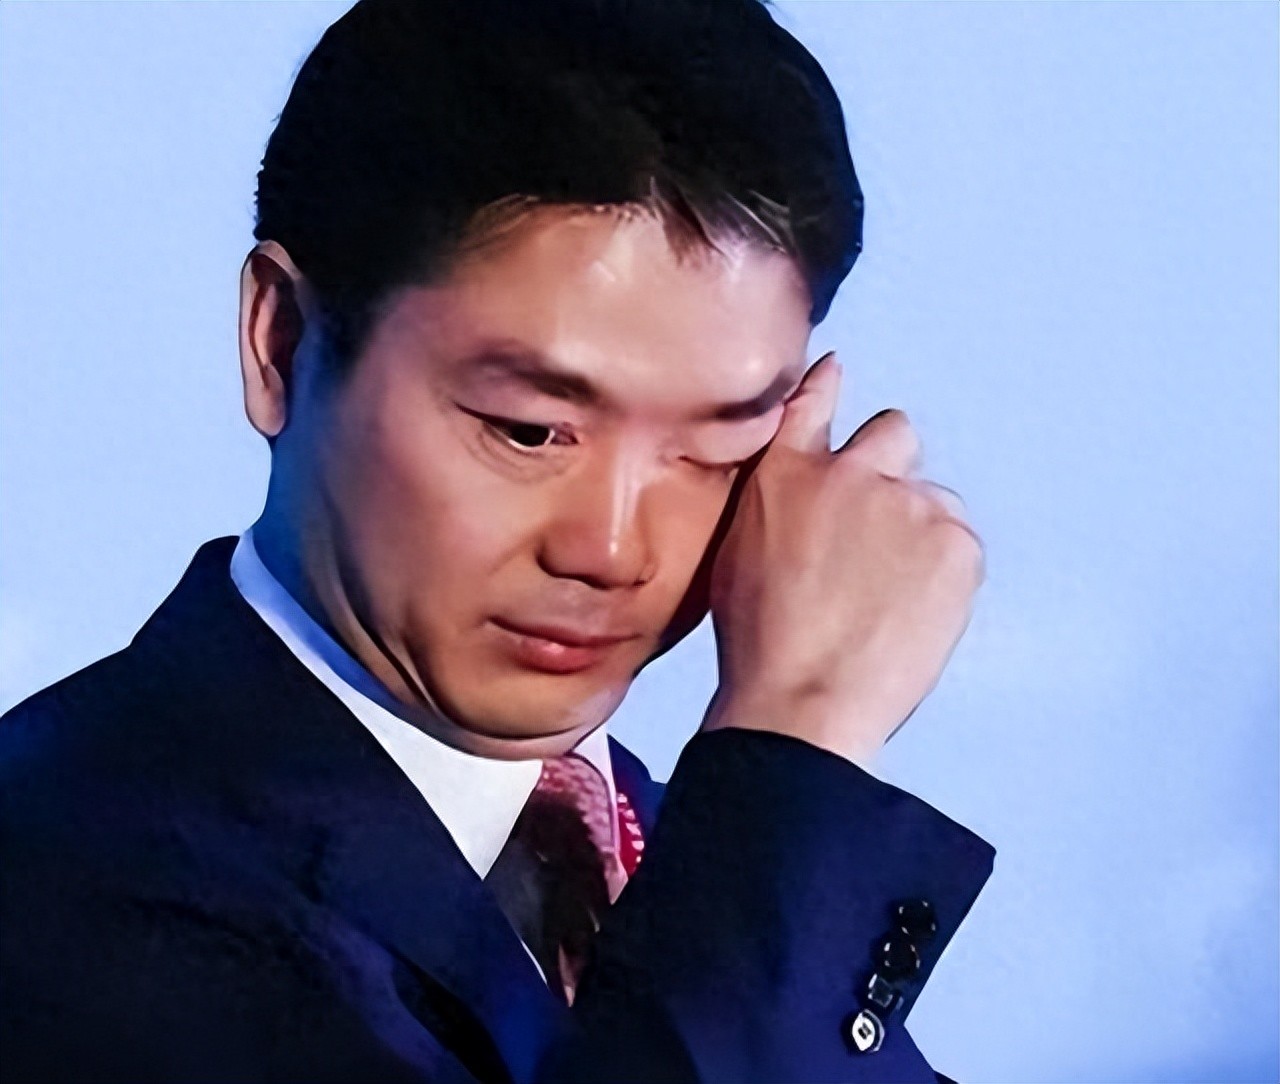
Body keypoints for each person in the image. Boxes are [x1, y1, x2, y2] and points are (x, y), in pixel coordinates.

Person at [0, 0, 994, 1080]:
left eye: (717, 448)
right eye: (528, 431)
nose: (611, 550)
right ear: (279, 341)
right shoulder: (67, 876)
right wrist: (799, 734)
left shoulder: (690, 869)